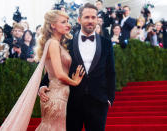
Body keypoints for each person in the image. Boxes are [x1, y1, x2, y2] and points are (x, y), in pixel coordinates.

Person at [0, 10, 85, 131]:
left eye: (68, 21)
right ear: (53, 25)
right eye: (63, 22)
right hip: (56, 96)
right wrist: (74, 82)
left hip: (59, 93)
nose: (68, 24)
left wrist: (42, 86)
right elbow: (59, 74)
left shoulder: (57, 44)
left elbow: (48, 73)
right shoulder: (53, 43)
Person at [40, 3, 116, 131]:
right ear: (79, 19)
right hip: (72, 101)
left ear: (97, 19)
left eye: (93, 17)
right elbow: (56, 67)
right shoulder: (65, 43)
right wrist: (42, 85)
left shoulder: (106, 43)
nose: (90, 21)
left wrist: (109, 98)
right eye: (87, 17)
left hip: (98, 101)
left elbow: (111, 72)